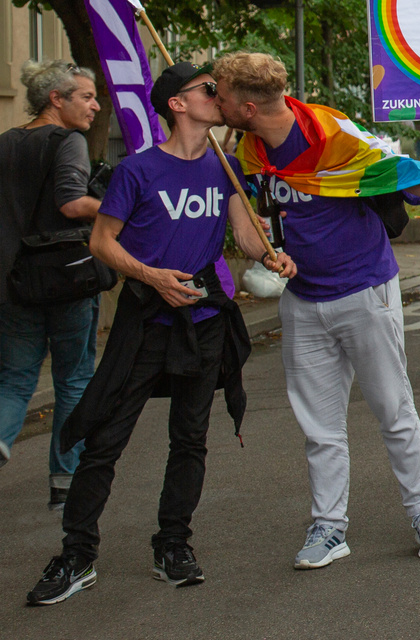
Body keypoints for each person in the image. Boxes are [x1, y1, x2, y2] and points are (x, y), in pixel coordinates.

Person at [27, 63, 292, 605]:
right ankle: (76, 555)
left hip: (204, 321)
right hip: (145, 318)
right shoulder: (138, 170)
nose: (219, 97)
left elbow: (244, 237)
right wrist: (150, 275)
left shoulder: (225, 165)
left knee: (190, 440)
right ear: (177, 103)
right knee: (104, 440)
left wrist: (273, 255)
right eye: (207, 91)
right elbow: (103, 242)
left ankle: (173, 543)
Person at [216, 51, 420, 568]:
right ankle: (329, 528)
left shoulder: (332, 132)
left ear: (246, 105)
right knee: (319, 425)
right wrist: (267, 254)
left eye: (219, 95)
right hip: (303, 301)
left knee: (393, 410)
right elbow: (244, 215)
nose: (213, 102)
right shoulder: (242, 149)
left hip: (365, 291)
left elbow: (396, 175)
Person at [0, 61, 106, 515]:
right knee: (74, 377)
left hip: (14, 280)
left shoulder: (5, 142)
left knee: (15, 378)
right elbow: (71, 202)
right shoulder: (68, 141)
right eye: (86, 97)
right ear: (56, 100)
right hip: (67, 277)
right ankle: (65, 481)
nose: (96, 106)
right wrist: (121, 210)